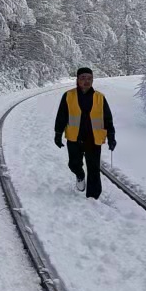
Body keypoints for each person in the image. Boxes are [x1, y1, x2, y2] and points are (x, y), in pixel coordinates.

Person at [53, 67, 117, 199]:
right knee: (74, 164)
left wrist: (111, 137)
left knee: (94, 169)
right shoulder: (68, 96)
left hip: (93, 139)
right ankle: (80, 175)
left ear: (92, 80)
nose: (86, 81)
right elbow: (61, 116)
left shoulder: (100, 97)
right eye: (83, 78)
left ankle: (93, 198)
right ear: (77, 80)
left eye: (89, 78)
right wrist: (58, 134)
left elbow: (108, 119)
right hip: (74, 138)